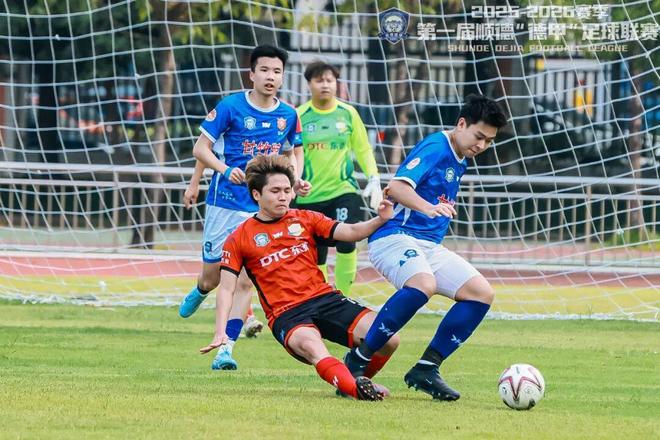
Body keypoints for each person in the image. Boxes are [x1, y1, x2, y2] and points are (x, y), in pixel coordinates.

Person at [343, 94, 508, 401]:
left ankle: (426, 368)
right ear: (461, 124)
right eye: (479, 136)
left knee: (481, 293)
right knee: (424, 284)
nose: (482, 145)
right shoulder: (436, 146)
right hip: (394, 236)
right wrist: (428, 208)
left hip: (427, 245)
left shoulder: (460, 156)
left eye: (489, 141)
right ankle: (358, 359)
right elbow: (397, 187)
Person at [199, 155, 399, 401]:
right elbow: (227, 289)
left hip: (325, 299)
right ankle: (356, 390)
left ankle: (352, 378)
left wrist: (381, 218)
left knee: (388, 339)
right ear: (256, 195)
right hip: (287, 314)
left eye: (287, 190)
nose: (283, 196)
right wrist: (221, 332)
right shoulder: (239, 237)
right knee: (314, 348)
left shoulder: (306, 218)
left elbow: (352, 231)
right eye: (275, 191)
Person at [178, 45, 311, 371]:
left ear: (283, 77)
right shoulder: (230, 107)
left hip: (259, 208)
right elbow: (201, 148)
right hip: (224, 203)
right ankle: (201, 288)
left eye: (276, 71)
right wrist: (223, 171)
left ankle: (226, 348)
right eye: (264, 70)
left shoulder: (288, 115)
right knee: (213, 277)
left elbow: (294, 151)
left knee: (245, 280)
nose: (270, 76)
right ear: (252, 74)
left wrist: (295, 179)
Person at [294, 61, 382, 295]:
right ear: (309, 84)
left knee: (347, 239)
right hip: (309, 195)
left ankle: (344, 297)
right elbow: (290, 153)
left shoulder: (348, 113)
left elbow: (363, 149)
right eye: (319, 80)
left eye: (329, 80)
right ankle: (323, 296)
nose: (325, 85)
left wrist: (374, 178)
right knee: (317, 252)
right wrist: (292, 182)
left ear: (337, 84)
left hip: (344, 190)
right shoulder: (300, 115)